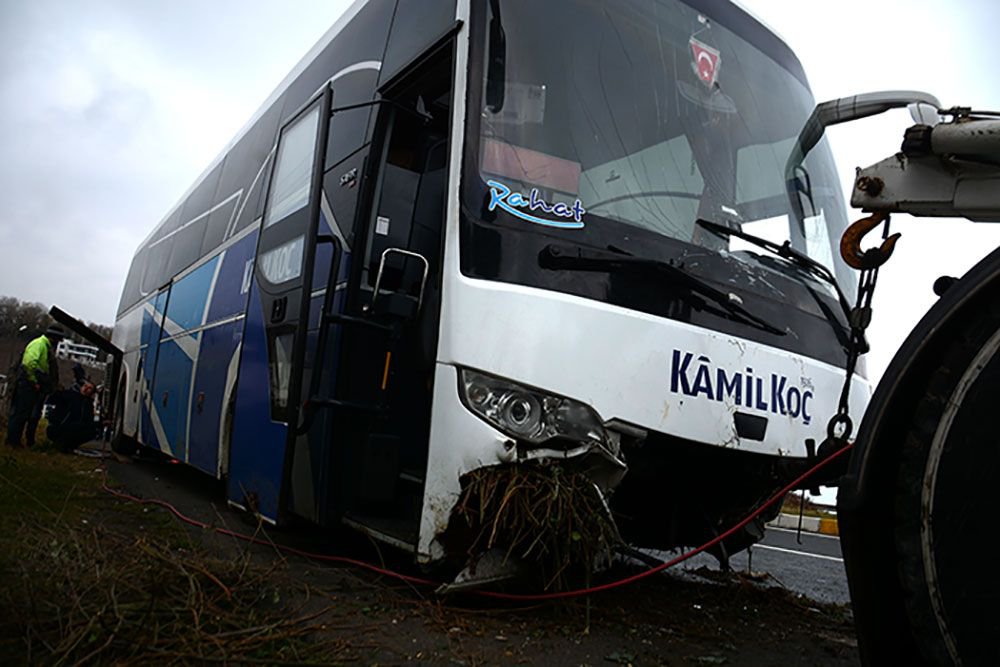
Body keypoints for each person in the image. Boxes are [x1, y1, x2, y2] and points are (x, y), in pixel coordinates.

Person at [5, 324, 65, 448]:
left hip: (31, 385)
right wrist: (34, 381)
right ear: (54, 338)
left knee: (24, 414)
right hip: (27, 384)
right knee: (20, 414)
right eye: (58, 340)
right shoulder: (39, 345)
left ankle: (15, 441)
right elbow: (29, 364)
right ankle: (12, 441)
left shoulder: (45, 346)